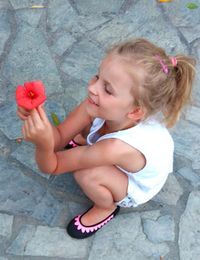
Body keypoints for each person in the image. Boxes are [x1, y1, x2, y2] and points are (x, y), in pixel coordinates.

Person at [17, 38, 196, 239]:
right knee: (88, 122)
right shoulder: (100, 105)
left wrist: (42, 144)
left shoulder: (115, 148)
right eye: (97, 77)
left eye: (108, 89)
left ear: (136, 111)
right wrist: (37, 117)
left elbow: (53, 165)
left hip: (133, 184)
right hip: (121, 146)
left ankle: (106, 208)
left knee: (85, 174)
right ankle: (88, 142)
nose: (93, 88)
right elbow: (58, 138)